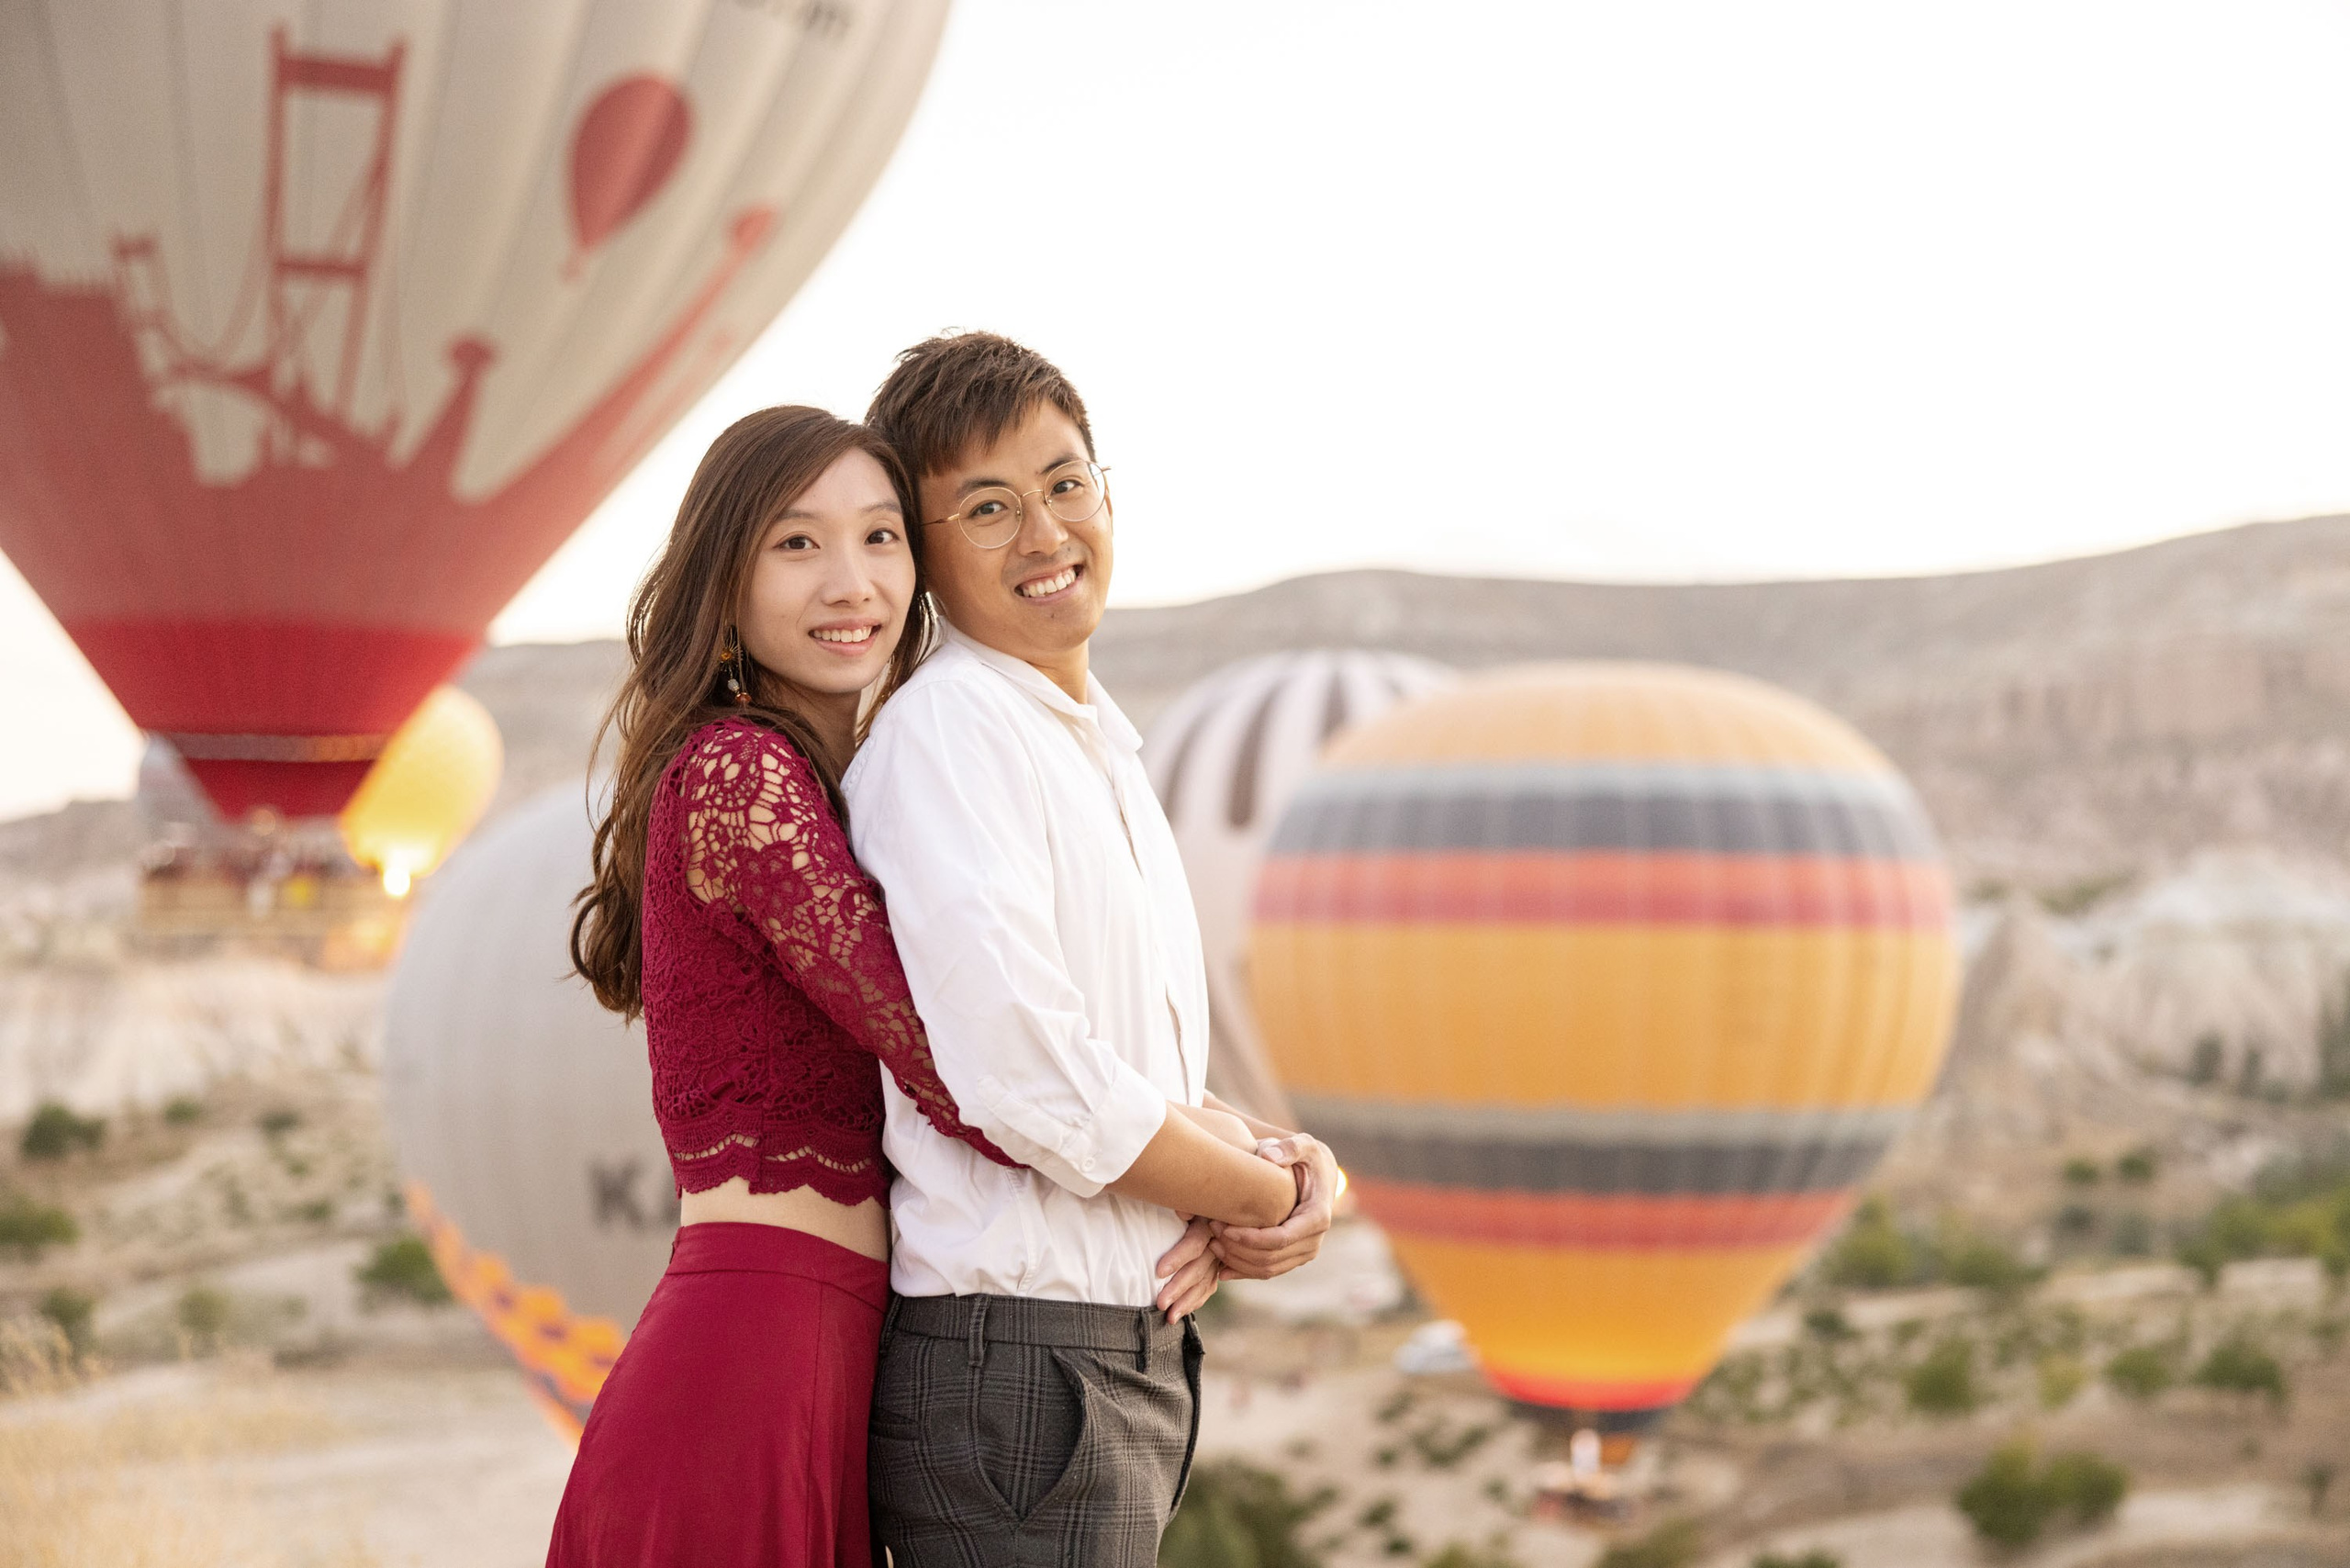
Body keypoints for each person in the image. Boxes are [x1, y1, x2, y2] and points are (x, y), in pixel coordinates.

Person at [848, 332, 1346, 1567]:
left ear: (1109, 494)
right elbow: (1033, 1083)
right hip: (1025, 1373)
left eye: (1066, 484)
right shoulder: (952, 736)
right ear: (920, 553)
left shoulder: (1089, 745)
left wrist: (1292, 1165)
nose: (1043, 534)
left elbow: (1123, 1065)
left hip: (1093, 1363)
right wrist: (1264, 1202)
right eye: (986, 507)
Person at [554, 406, 1022, 1567]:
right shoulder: (740, 773)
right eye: (797, 543)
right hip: (756, 1352)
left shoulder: (827, 785)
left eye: (880, 537)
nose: (850, 581)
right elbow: (958, 1061)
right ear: (728, 574)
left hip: (817, 1349)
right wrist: (1211, 1180)